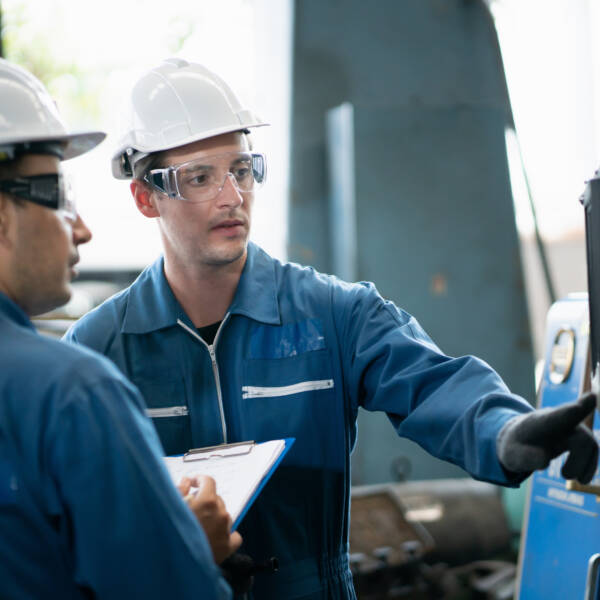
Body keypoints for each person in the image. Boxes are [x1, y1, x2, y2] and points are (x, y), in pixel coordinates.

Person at [65, 57, 599, 600]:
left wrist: (505, 431)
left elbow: (433, 382)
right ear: (145, 197)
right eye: (199, 177)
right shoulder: (97, 353)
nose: (232, 196)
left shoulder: (332, 315)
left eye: (242, 169)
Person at [0, 58, 241, 599]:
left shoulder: (338, 312)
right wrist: (186, 548)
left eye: (242, 170)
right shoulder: (74, 388)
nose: (82, 229)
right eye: (59, 196)